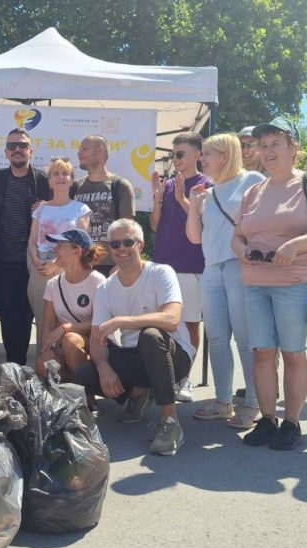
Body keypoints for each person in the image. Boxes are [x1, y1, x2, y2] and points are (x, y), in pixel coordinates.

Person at [232, 118, 307, 451]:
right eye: (262, 145)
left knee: (292, 353)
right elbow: (237, 237)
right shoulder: (254, 190)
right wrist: (244, 251)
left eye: (275, 143)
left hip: (294, 281)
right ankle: (267, 420)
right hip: (254, 282)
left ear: (293, 147)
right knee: (261, 353)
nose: (267, 151)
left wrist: (295, 245)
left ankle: (291, 423)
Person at [74, 219, 195, 456]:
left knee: (150, 336)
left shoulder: (161, 272)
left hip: (174, 357)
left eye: (128, 242)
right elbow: (97, 337)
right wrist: (103, 367)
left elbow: (171, 319)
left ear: (139, 245)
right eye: (115, 243)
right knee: (83, 374)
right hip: (135, 357)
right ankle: (140, 391)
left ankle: (170, 422)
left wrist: (122, 321)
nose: (121, 248)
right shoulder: (105, 288)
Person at [186, 133, 266, 428]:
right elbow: (194, 237)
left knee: (246, 339)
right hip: (212, 267)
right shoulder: (206, 191)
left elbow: (263, 222)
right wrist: (194, 204)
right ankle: (223, 401)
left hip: (239, 265)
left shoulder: (252, 179)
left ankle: (254, 403)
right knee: (217, 338)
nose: (202, 158)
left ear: (225, 155)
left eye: (207, 153)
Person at [150, 132, 209, 402]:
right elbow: (154, 225)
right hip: (163, 265)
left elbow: (204, 226)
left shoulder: (206, 184)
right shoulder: (169, 183)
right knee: (161, 325)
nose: (176, 159)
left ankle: (185, 379)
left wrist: (185, 198)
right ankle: (164, 377)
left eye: (181, 154)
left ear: (198, 155)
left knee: (189, 324)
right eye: (173, 154)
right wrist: (158, 197)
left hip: (190, 265)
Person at [0, 128, 52, 365]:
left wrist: (47, 206)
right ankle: (14, 368)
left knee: (36, 317)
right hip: (4, 261)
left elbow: (58, 213)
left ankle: (41, 370)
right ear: (6, 152)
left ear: (30, 151)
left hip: (33, 261)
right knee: (9, 318)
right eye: (12, 145)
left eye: (22, 145)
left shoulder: (44, 180)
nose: (17, 149)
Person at [36, 229, 106, 412]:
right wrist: (47, 350)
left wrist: (67, 327)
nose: (55, 250)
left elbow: (102, 324)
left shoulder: (98, 281)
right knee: (42, 366)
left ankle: (87, 393)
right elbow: (48, 325)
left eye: (60, 246)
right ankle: (70, 394)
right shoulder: (53, 284)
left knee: (70, 339)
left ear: (77, 251)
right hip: (67, 343)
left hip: (99, 344)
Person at [28, 158, 91, 348]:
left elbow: (82, 242)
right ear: (49, 181)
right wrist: (37, 261)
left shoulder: (81, 209)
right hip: (40, 270)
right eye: (56, 173)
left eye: (65, 173)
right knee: (43, 324)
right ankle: (43, 367)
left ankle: (65, 369)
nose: (61, 177)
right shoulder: (41, 209)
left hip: (68, 269)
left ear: (72, 180)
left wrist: (57, 263)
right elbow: (32, 240)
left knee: (64, 324)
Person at [72, 134, 135, 277]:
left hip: (111, 266)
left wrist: (120, 264)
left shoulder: (120, 185)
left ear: (100, 151)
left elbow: (129, 230)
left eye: (84, 149)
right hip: (81, 265)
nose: (79, 153)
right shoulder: (75, 187)